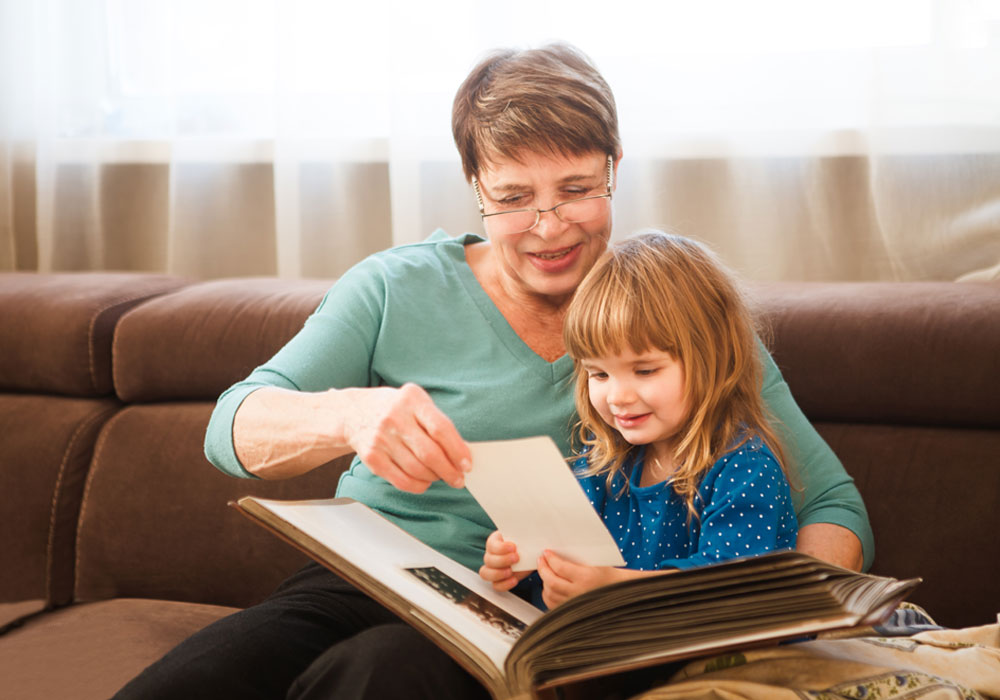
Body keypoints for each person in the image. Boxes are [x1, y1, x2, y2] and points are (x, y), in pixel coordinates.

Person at [113, 43, 872, 700]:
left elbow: (834, 505)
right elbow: (231, 427)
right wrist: (348, 416)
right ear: (475, 186)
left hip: (533, 622)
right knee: (192, 683)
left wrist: (746, 623)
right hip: (368, 581)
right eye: (513, 198)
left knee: (381, 675)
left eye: (577, 189)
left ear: (613, 168)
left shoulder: (676, 312)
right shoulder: (393, 287)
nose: (549, 227)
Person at [480, 232, 798, 609]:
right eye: (599, 374)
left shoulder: (744, 468)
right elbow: (564, 561)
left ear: (714, 360)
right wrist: (521, 562)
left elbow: (729, 591)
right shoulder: (602, 463)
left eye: (645, 371)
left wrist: (613, 588)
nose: (618, 397)